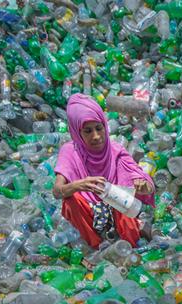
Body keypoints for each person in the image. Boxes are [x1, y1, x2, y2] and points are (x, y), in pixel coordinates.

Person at [53, 93, 155, 248]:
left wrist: (143, 186)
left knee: (121, 197)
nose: (96, 136)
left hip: (118, 213)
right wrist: (80, 185)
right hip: (87, 215)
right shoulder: (70, 151)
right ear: (76, 132)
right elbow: (57, 191)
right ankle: (94, 247)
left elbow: (145, 182)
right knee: (70, 200)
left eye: (99, 128)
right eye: (87, 131)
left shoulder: (115, 150)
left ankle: (128, 248)